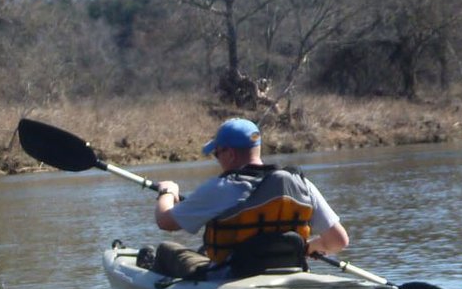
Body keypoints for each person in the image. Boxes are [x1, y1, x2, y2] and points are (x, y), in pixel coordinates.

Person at [142, 117, 350, 280]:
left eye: (217, 154)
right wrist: (307, 247)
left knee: (167, 249)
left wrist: (167, 192)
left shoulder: (221, 187)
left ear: (230, 154)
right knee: (203, 251)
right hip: (290, 270)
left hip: (232, 276)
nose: (217, 159)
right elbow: (338, 241)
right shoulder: (301, 184)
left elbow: (165, 221)